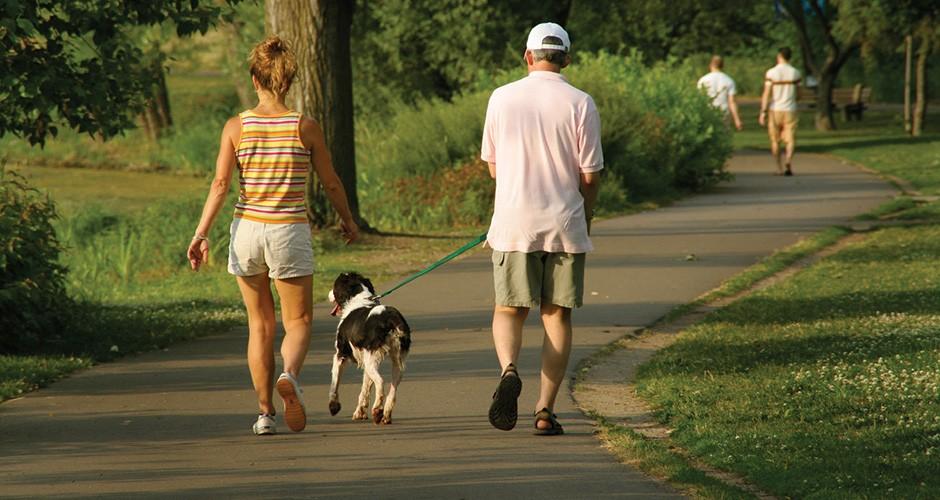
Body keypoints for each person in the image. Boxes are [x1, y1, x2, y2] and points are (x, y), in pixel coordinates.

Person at [187, 36, 359, 436]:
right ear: (289, 81)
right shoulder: (305, 127)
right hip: (288, 231)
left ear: (254, 78)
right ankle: (291, 376)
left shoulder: (236, 126)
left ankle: (265, 413)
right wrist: (348, 220)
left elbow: (219, 184)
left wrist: (201, 233)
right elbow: (331, 183)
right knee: (297, 320)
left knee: (259, 324)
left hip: (246, 229)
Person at [481, 22, 603, 436]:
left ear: (528, 56)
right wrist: (586, 216)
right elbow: (590, 175)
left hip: (514, 222)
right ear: (566, 58)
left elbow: (494, 167)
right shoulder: (581, 102)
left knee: (508, 308)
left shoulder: (501, 98)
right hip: (565, 222)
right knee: (556, 315)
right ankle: (545, 411)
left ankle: (509, 368)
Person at [759, 47, 802, 176]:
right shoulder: (795, 73)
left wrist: (763, 111)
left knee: (775, 140)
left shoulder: (771, 73)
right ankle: (788, 161)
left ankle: (779, 167)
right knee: (790, 138)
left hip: (775, 108)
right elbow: (800, 94)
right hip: (790, 108)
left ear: (779, 56)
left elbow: (767, 93)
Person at [697, 55, 743, 131]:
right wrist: (737, 119)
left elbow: (699, 100)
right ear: (722, 66)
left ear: (711, 65)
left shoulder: (703, 80)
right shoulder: (729, 80)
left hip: (708, 111)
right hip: (723, 111)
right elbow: (732, 102)